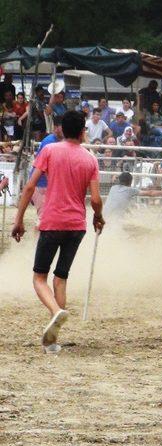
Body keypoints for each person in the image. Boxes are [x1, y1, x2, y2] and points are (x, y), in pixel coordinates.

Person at [11, 110, 104, 353]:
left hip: (52, 222)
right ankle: (52, 342)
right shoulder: (90, 159)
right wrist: (99, 217)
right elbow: (95, 199)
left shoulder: (50, 151)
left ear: (62, 129)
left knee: (39, 277)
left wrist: (18, 219)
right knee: (60, 277)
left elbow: (30, 186)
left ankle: (56, 311)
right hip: (76, 226)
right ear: (83, 131)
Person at [30, 117, 64, 220]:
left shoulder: (60, 141)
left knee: (51, 216)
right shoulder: (49, 142)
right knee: (44, 217)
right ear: (56, 128)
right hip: (40, 183)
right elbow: (44, 166)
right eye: (63, 127)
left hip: (47, 184)